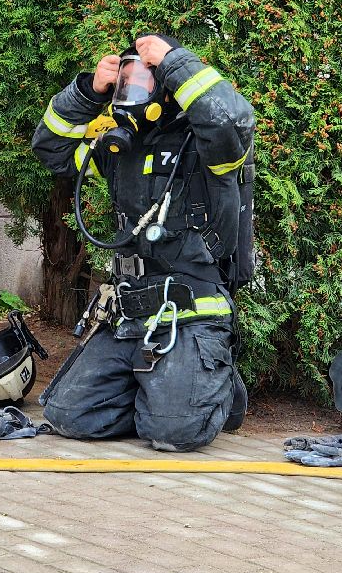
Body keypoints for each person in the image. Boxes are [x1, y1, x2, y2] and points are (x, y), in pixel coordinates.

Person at [32, 34, 254, 451]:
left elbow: (230, 119)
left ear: (167, 89)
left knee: (173, 433)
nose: (130, 90)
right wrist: (87, 92)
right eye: (125, 81)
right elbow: (52, 149)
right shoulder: (122, 146)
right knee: (69, 416)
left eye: (143, 80)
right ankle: (165, 392)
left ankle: (206, 389)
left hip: (191, 311)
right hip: (129, 312)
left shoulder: (207, 146)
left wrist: (175, 60)